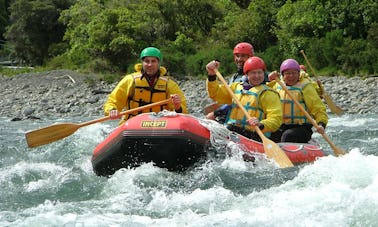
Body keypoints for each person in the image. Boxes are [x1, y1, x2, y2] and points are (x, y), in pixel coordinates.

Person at [205, 57, 282, 142]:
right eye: (253, 73)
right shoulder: (236, 87)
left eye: (260, 72)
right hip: (234, 130)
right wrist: (211, 75)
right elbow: (215, 94)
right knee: (219, 126)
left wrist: (261, 124)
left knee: (229, 128)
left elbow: (276, 118)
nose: (257, 76)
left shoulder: (268, 93)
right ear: (246, 74)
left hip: (255, 134)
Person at [103, 47, 188, 124]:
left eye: (153, 61)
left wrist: (177, 107)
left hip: (160, 125)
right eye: (147, 61)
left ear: (159, 63)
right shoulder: (130, 80)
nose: (150, 65)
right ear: (142, 63)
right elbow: (113, 100)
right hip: (133, 124)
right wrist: (112, 110)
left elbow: (182, 112)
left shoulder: (169, 85)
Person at [268, 59, 328, 143]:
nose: (291, 76)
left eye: (294, 73)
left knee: (288, 136)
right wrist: (269, 78)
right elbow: (262, 90)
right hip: (281, 125)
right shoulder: (277, 85)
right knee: (270, 135)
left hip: (302, 128)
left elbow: (318, 108)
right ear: (282, 75)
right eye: (288, 73)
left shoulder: (305, 86)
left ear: (299, 74)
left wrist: (321, 124)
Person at [205, 42, 254, 122]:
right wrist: (212, 75)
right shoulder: (235, 77)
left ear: (250, 57)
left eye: (243, 56)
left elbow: (241, 101)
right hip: (231, 118)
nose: (239, 59)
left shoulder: (256, 78)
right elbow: (216, 94)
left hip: (246, 121)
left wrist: (216, 113)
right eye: (237, 56)